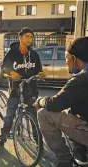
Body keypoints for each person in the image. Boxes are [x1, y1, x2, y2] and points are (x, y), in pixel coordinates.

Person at [35, 37, 88, 167]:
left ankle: (65, 161)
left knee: (44, 114)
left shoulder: (81, 78)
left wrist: (41, 100)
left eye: (66, 57)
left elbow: (55, 103)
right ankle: (81, 154)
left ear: (75, 58)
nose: (66, 62)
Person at [0, 27, 46, 151]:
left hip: (31, 91)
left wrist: (41, 73)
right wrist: (11, 73)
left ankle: (37, 141)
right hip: (16, 90)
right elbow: (3, 71)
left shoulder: (34, 54)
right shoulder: (12, 53)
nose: (30, 39)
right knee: (10, 115)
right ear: (20, 37)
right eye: (27, 36)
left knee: (33, 116)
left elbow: (39, 69)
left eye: (31, 37)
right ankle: (2, 138)